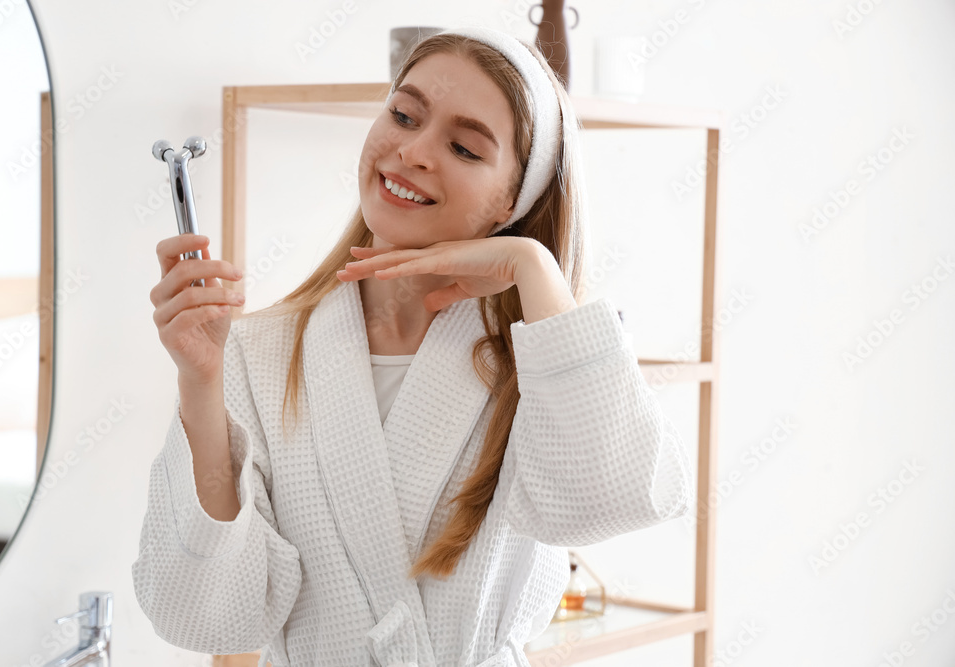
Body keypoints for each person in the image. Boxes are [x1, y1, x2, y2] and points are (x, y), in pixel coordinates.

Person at [132, 25, 693, 667]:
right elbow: (208, 615)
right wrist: (200, 385)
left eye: (463, 147)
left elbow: (611, 501)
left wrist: (535, 267)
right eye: (403, 115)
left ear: (512, 199)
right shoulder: (258, 352)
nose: (413, 152)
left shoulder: (540, 354)